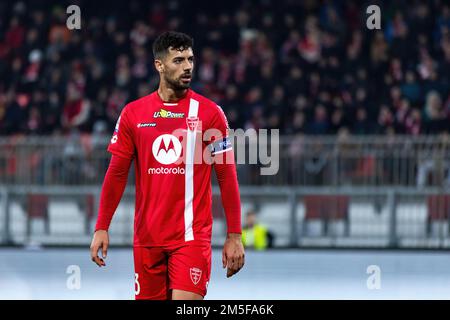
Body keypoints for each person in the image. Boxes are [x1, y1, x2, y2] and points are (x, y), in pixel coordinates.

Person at [90, 31, 245, 300]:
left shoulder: (210, 114)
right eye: (178, 60)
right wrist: (102, 226)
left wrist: (234, 235)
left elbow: (227, 176)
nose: (187, 67)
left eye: (190, 59)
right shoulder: (133, 114)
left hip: (191, 238)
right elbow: (116, 173)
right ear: (159, 66)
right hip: (147, 238)